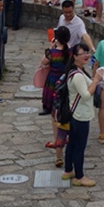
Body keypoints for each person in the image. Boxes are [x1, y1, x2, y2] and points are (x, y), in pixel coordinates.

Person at [62, 42, 97, 187]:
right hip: (80, 115)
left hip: (75, 113)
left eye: (87, 52)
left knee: (72, 143)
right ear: (75, 56)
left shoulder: (76, 71)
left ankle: (68, 170)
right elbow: (86, 95)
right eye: (83, 53)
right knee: (79, 146)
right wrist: (96, 80)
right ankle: (79, 176)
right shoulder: (77, 75)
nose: (86, 56)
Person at [41, 25, 72, 161]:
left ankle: (56, 140)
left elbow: (43, 63)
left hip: (53, 83)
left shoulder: (52, 53)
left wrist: (53, 46)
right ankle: (68, 137)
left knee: (54, 115)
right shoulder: (71, 52)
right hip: (66, 83)